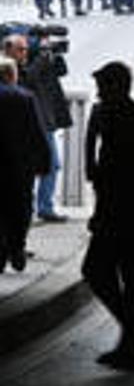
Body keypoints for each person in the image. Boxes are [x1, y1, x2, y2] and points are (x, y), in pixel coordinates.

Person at [83, 61, 134, 371]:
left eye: (102, 87)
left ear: (116, 88)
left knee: (100, 271)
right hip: (132, 215)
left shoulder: (125, 121)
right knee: (131, 281)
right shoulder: (126, 117)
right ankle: (132, 340)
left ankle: (132, 338)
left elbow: (114, 177)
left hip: (124, 215)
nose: (99, 94)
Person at [4, 33, 72, 223]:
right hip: (25, 123)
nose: (24, 52)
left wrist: (53, 54)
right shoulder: (7, 67)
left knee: (52, 165)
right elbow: (28, 80)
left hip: (43, 120)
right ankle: (35, 207)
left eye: (25, 49)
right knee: (32, 166)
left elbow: (61, 71)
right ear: (8, 49)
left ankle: (43, 207)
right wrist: (42, 57)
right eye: (20, 49)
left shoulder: (34, 61)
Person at [0, 57, 50, 273]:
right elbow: (37, 132)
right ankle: (17, 246)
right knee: (21, 206)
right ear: (13, 75)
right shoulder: (25, 97)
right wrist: (44, 161)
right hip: (20, 164)